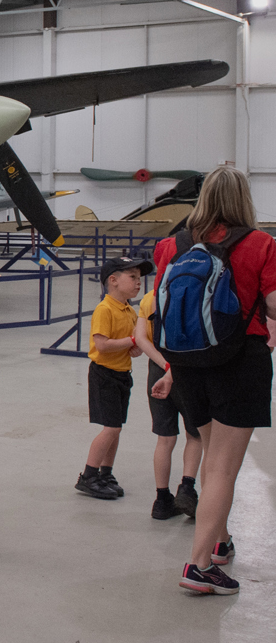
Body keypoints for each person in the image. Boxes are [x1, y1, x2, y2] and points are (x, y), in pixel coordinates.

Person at [152, 166, 276, 595]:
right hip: (241, 362)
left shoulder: (171, 245)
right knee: (225, 466)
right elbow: (275, 306)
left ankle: (218, 542)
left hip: (187, 362)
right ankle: (199, 565)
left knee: (210, 456)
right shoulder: (260, 243)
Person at [74, 257, 152, 500]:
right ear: (113, 280)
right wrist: (133, 341)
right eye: (133, 277)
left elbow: (129, 345)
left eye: (140, 278)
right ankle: (88, 475)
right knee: (111, 428)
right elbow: (103, 345)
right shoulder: (105, 309)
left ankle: (105, 473)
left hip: (122, 374)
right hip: (104, 375)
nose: (139, 283)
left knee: (116, 428)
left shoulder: (130, 310)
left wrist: (134, 348)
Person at [133, 288, 202, 520]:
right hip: (186, 368)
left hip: (157, 368)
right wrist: (173, 368)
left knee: (165, 438)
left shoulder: (149, 297)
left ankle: (162, 500)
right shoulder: (193, 292)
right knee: (195, 434)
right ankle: (187, 488)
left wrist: (163, 365)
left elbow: (141, 338)